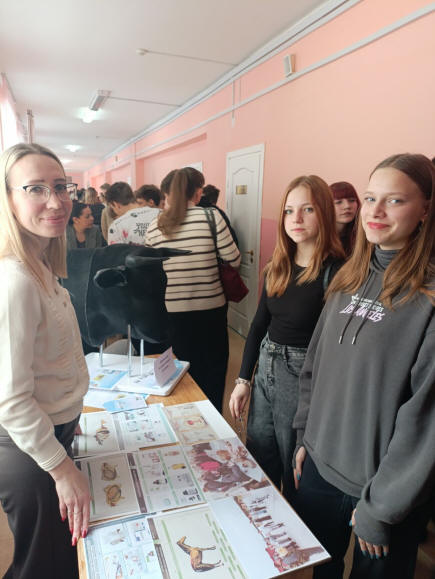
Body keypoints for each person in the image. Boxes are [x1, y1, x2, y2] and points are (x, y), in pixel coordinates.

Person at [292, 153, 435, 578]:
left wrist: (382, 506)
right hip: (320, 466)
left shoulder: (428, 297)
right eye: (371, 198)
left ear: (425, 210)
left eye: (395, 201)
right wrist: (304, 436)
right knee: (322, 569)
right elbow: (315, 366)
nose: (375, 211)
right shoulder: (347, 278)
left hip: (381, 491)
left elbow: (425, 421)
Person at [0, 143, 91, 578]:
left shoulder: (41, 265)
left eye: (60, 186)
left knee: (60, 560)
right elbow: (11, 400)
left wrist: (68, 412)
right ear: (9, 199)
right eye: (35, 188)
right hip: (29, 452)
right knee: (42, 567)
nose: (55, 202)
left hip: (51, 434)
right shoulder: (15, 281)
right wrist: (61, 468)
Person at [229, 175, 344, 500]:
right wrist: (243, 379)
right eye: (289, 211)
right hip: (266, 369)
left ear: (324, 213)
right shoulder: (277, 264)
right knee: (260, 452)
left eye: (308, 209)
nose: (296, 219)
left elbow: (334, 349)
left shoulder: (336, 272)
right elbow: (258, 325)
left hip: (302, 375)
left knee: (294, 461)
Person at [146, 167, 240, 411]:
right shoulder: (211, 217)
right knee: (213, 371)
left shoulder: (155, 225)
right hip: (210, 311)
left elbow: (150, 271)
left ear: (167, 193)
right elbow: (234, 258)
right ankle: (212, 418)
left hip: (171, 314)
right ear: (198, 193)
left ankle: (182, 418)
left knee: (177, 374)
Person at [330, 181, 360, 256]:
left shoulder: (363, 234)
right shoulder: (318, 237)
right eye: (338, 202)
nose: (347, 206)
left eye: (352, 200)